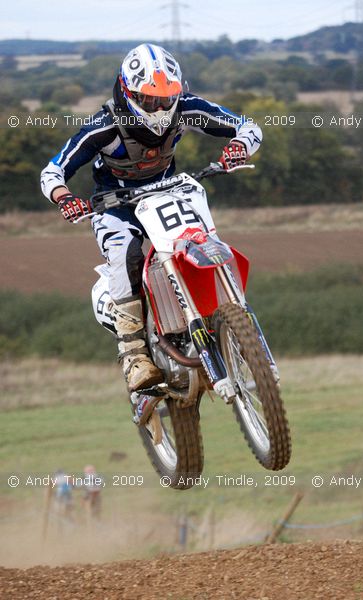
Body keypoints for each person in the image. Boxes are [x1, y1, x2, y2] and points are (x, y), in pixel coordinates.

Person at [40, 43, 262, 393]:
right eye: (149, 99)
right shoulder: (104, 126)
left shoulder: (186, 108)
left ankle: (223, 316)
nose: (160, 108)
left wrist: (239, 146)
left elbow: (247, 127)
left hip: (168, 192)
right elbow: (52, 171)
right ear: (128, 92)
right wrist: (65, 197)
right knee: (125, 254)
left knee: (200, 241)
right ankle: (134, 356)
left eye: (166, 98)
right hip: (115, 203)